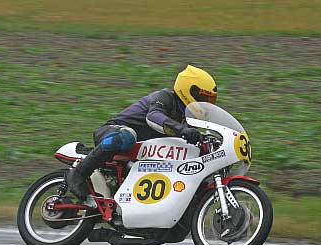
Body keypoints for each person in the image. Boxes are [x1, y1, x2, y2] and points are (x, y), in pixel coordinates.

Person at [66, 65, 218, 200]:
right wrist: (181, 130)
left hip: (139, 154)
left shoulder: (188, 118)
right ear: (189, 90)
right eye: (203, 98)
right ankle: (79, 173)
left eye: (210, 101)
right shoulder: (165, 97)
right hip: (113, 132)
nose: (205, 104)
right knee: (127, 136)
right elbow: (153, 116)